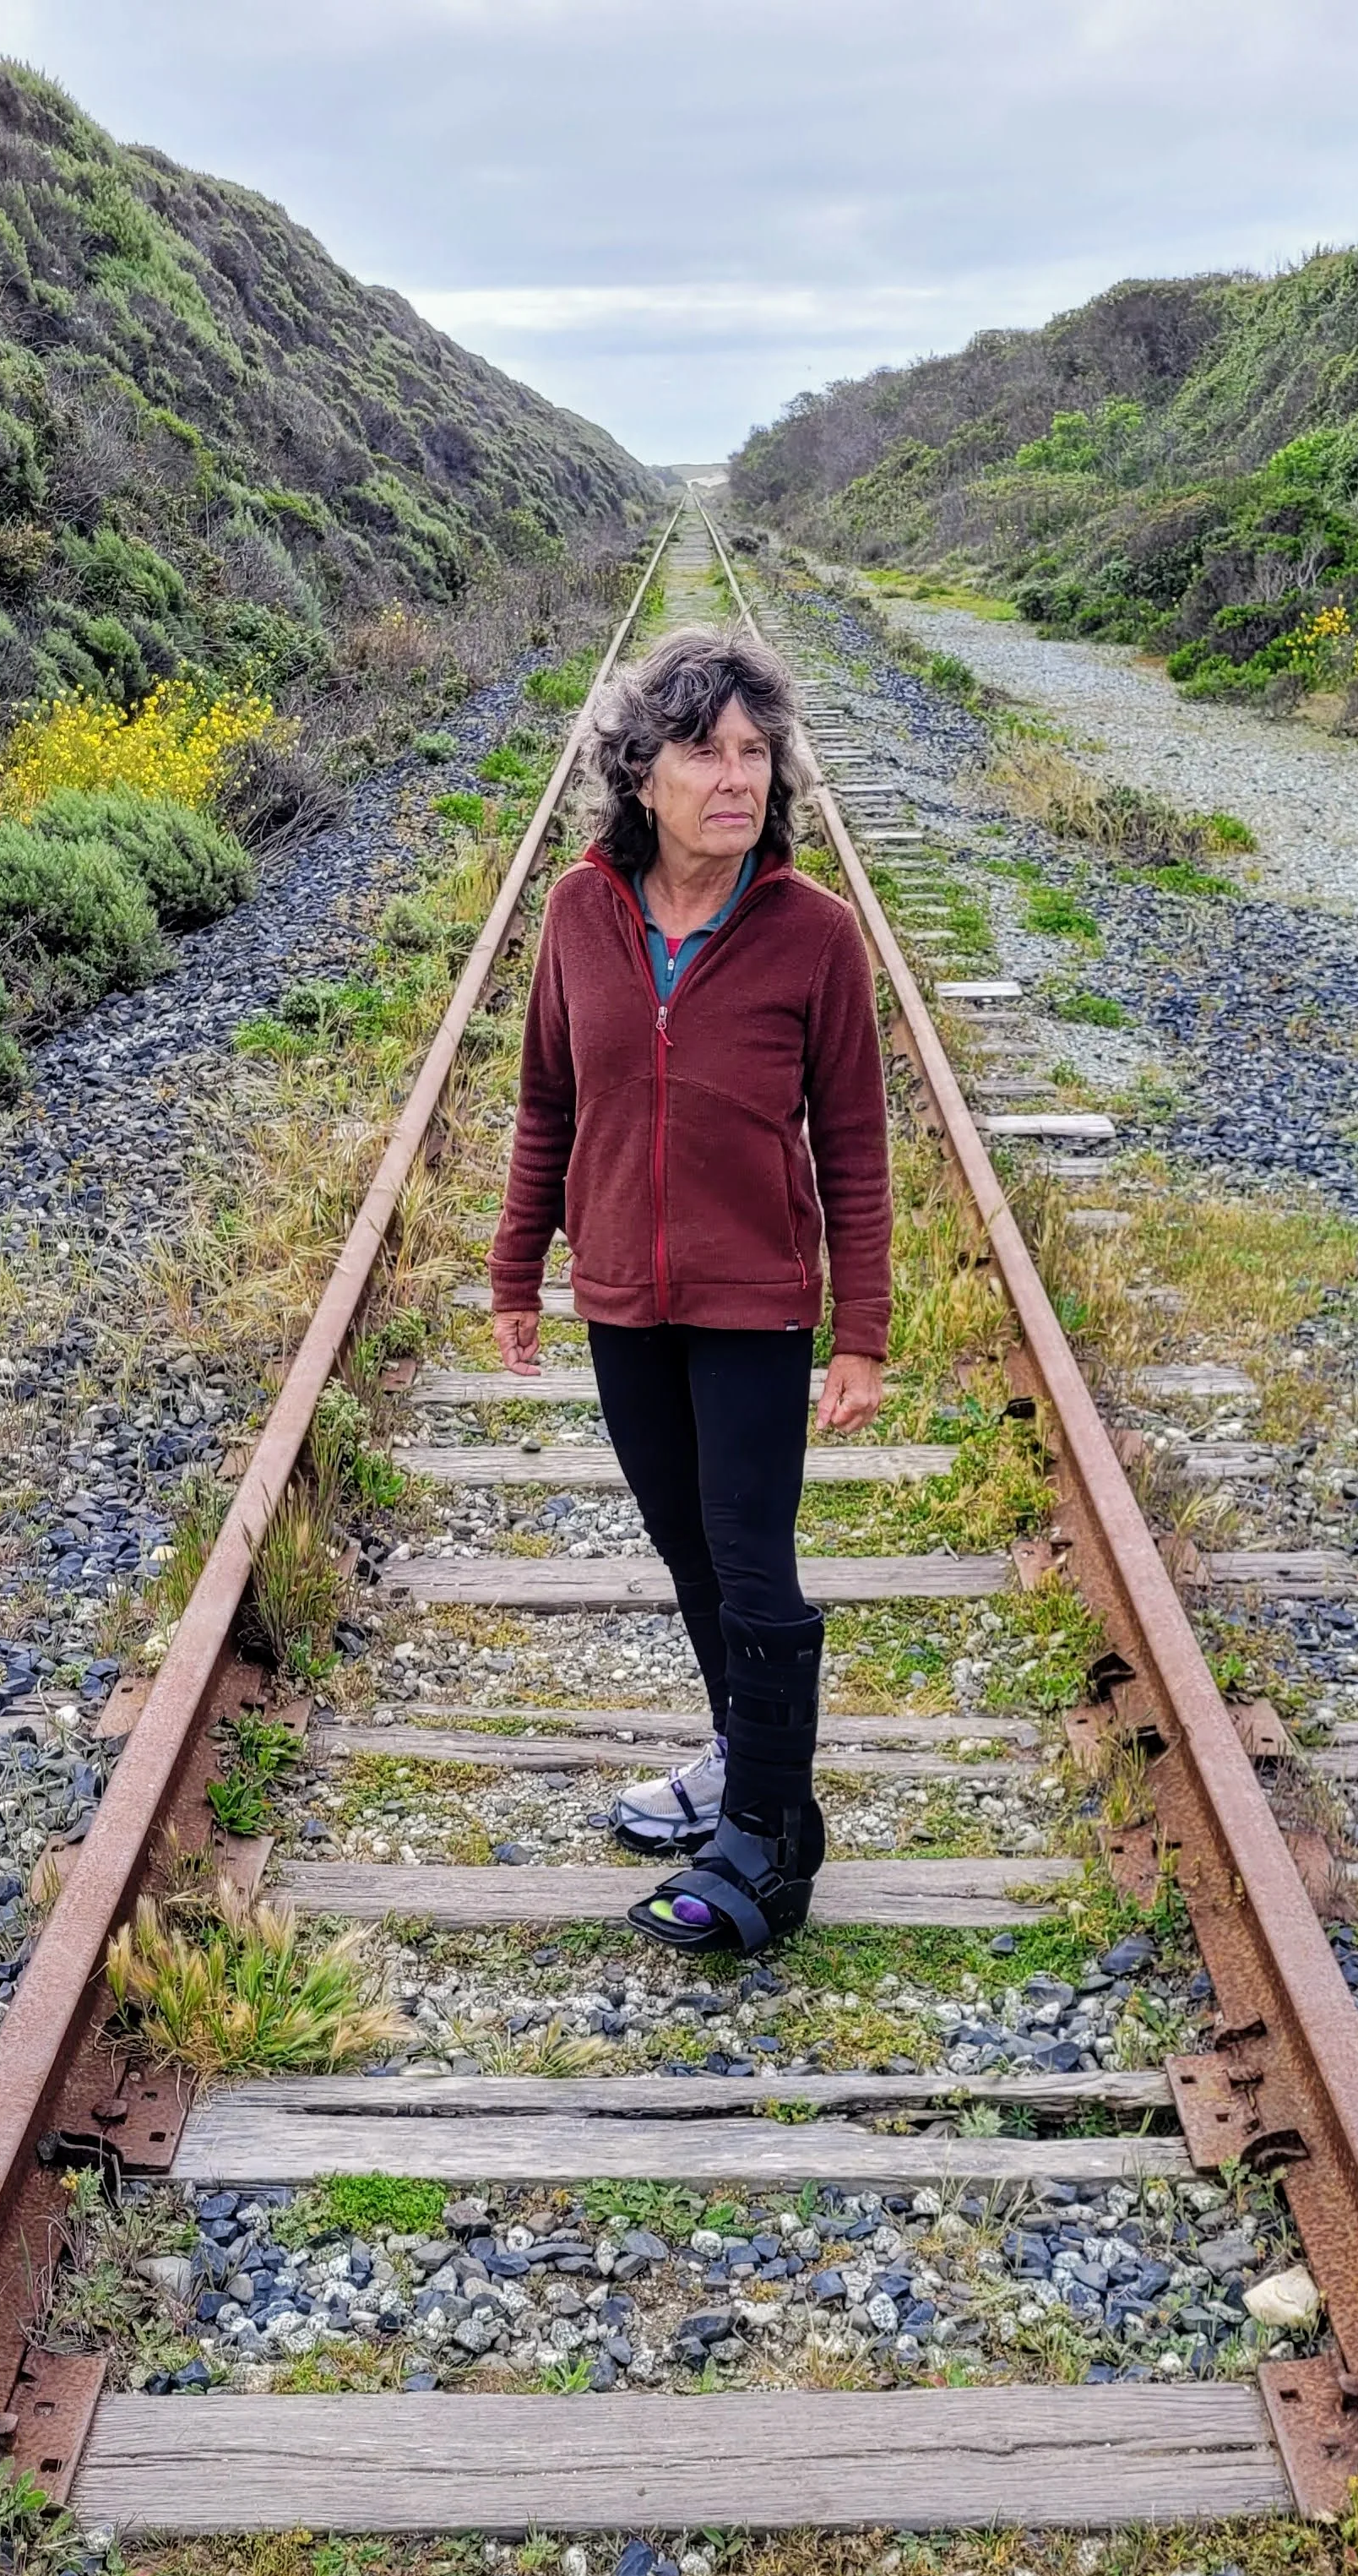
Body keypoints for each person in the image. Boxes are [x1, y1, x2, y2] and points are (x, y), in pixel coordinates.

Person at [488, 622, 893, 1953]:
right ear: (640, 773)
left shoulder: (815, 936)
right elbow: (548, 1096)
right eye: (705, 752)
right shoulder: (576, 914)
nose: (738, 778)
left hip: (755, 1303)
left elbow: (853, 1141)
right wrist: (517, 1272)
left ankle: (771, 1846)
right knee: (686, 1548)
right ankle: (746, 1766)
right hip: (620, 1297)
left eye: (756, 753)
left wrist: (863, 1331)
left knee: (751, 1560)